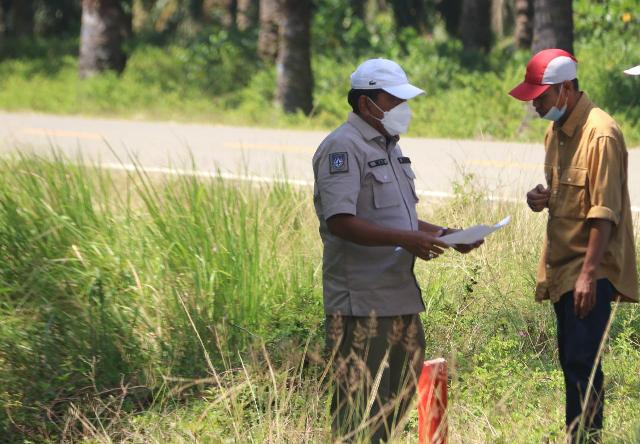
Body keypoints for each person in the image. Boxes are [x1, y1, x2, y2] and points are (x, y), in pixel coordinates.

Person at [312, 58, 482, 443]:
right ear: (365, 103)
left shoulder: (390, 147)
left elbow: (402, 219)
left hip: (399, 293)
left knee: (407, 382)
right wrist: (407, 240)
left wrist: (446, 234)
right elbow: (340, 221)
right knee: (352, 399)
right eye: (394, 100)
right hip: (360, 298)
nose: (402, 109)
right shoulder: (342, 147)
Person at [509, 49, 638, 443]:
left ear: (565, 88)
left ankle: (586, 437)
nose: (535, 104)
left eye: (541, 96)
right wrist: (545, 197)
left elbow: (604, 212)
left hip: (591, 270)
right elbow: (571, 192)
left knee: (583, 361)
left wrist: (587, 276)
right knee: (570, 360)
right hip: (564, 268)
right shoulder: (556, 131)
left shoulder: (601, 133)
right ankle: (576, 435)